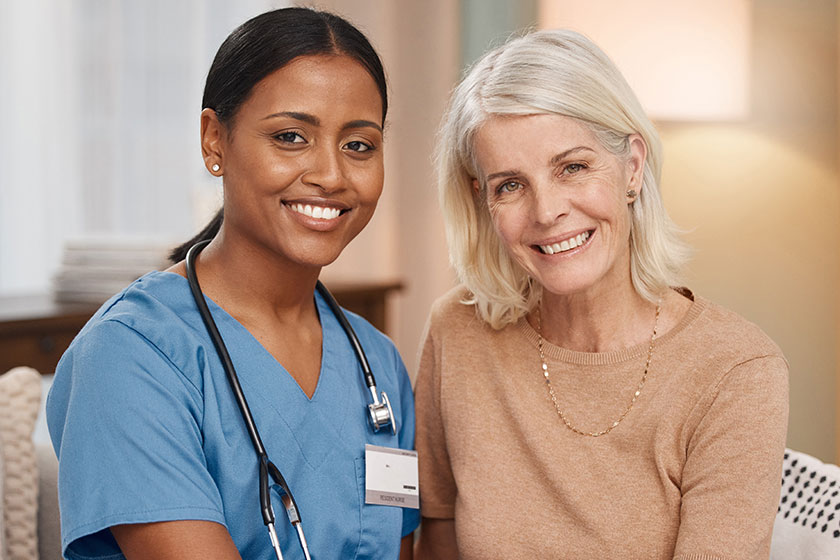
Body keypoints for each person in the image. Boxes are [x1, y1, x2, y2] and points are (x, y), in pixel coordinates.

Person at [47, 7, 418, 560]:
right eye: (291, 136)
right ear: (214, 140)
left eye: (359, 145)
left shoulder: (378, 366)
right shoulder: (129, 356)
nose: (332, 175)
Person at [414, 29, 788, 559]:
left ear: (632, 167)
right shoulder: (456, 331)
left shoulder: (736, 370)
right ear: (483, 201)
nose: (546, 212)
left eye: (572, 167)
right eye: (510, 185)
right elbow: (438, 538)